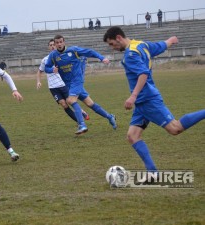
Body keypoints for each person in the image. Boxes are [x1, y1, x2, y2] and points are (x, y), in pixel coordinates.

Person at [103, 26, 205, 179]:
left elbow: (143, 73)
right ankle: (153, 173)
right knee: (133, 136)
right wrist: (170, 41)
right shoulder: (140, 44)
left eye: (111, 44)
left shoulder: (131, 54)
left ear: (118, 38)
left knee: (175, 128)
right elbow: (159, 46)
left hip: (147, 99)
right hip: (142, 102)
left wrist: (133, 96)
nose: (112, 48)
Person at [45, 34, 117, 135]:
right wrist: (52, 69)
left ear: (64, 42)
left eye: (61, 42)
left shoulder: (73, 50)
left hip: (77, 80)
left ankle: (82, 124)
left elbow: (90, 52)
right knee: (90, 103)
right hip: (69, 84)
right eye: (57, 43)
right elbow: (46, 68)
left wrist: (101, 58)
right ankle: (110, 117)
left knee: (70, 100)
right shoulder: (53, 56)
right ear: (55, 44)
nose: (59, 44)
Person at [37, 39, 90, 124]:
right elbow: (40, 71)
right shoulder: (45, 60)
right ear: (48, 47)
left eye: (53, 44)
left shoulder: (62, 56)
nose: (52, 46)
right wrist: (38, 81)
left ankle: (82, 112)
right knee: (64, 104)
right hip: (53, 87)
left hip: (63, 84)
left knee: (71, 101)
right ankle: (79, 122)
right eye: (50, 45)